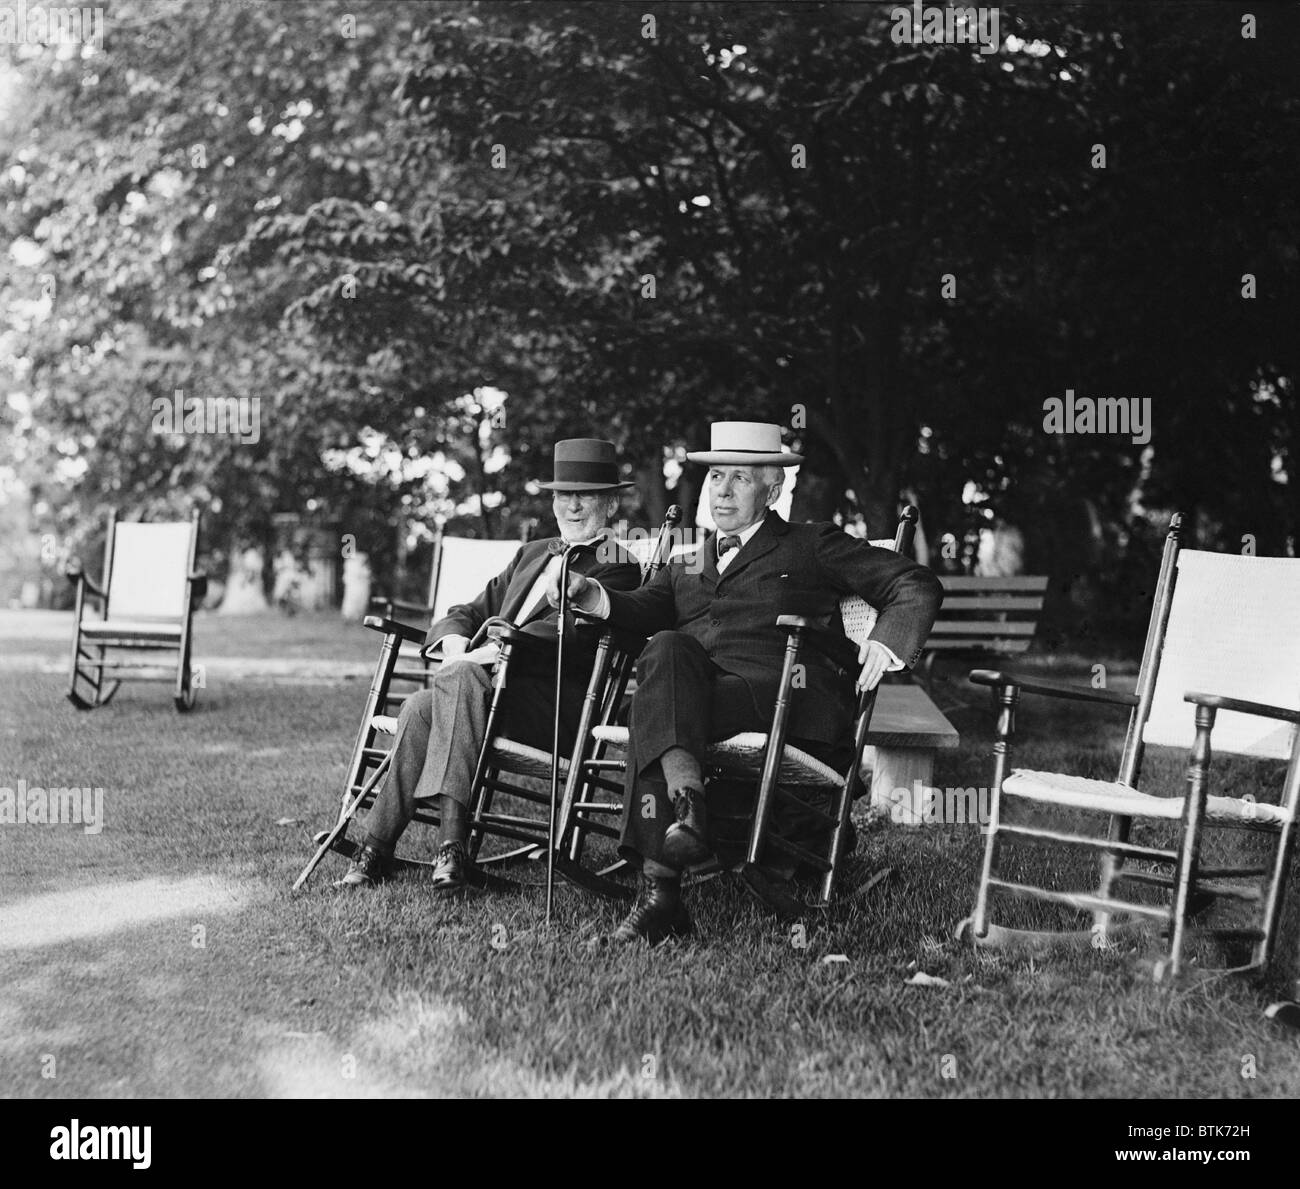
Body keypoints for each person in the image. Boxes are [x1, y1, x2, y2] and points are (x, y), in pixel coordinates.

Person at [552, 421, 944, 943]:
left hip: (782, 696)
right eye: (716, 476)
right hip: (702, 699)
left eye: (739, 478)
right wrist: (593, 595)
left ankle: (661, 892)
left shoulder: (810, 544)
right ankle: (684, 823)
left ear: (773, 489)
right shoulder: (687, 560)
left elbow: (911, 581)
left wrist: (886, 642)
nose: (722, 490)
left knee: (658, 705)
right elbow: (642, 609)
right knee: (665, 650)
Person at [338, 438, 643, 891]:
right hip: (482, 692)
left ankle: (448, 843)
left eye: (586, 496)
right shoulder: (533, 553)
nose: (572, 506)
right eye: (563, 495)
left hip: (556, 708)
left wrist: (496, 654)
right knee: (421, 707)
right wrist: (458, 645)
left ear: (611, 502)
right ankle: (381, 848)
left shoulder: (617, 565)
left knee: (451, 685)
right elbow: (469, 609)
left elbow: (573, 636)